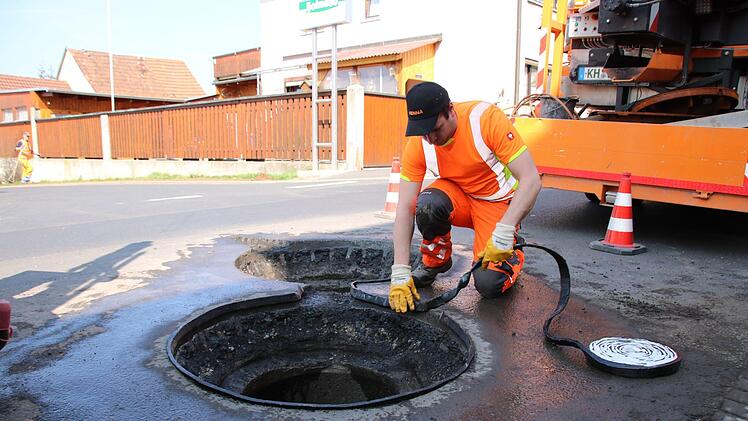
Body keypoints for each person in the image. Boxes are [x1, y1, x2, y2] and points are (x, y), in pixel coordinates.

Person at [389, 82, 542, 313]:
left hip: (496, 202)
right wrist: (400, 271)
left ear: (450, 110)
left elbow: (531, 179)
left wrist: (505, 230)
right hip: (458, 198)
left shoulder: (484, 120)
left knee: (489, 285)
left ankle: (513, 252)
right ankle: (436, 260)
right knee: (427, 204)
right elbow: (404, 209)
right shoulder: (420, 143)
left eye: (436, 128)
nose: (430, 139)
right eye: (423, 132)